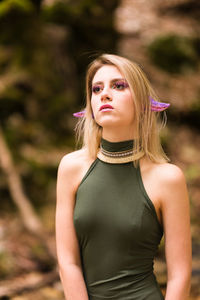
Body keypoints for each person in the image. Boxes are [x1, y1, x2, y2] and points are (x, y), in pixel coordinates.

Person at [56, 54, 191, 300]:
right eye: (96, 89)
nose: (105, 94)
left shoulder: (168, 178)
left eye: (118, 86)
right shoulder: (71, 167)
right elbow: (68, 262)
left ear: (142, 102)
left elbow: (180, 275)